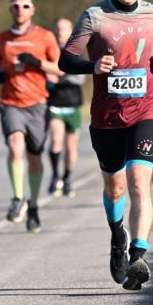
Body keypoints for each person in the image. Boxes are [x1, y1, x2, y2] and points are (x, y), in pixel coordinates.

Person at [58, 0, 153, 290]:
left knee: (140, 182)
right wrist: (91, 67)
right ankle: (117, 234)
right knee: (115, 186)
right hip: (107, 117)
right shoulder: (94, 16)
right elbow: (66, 60)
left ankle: (138, 256)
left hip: (145, 110)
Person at [0, 0, 62, 232]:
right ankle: (17, 197)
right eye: (15, 5)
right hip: (11, 103)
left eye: (25, 5)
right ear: (10, 8)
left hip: (37, 104)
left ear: (33, 9)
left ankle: (33, 204)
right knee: (15, 145)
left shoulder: (45, 36)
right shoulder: (3, 38)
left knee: (34, 158)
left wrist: (37, 63)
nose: (19, 9)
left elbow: (61, 68)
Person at [47, 16, 86, 197]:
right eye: (57, 28)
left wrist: (58, 73)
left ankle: (68, 177)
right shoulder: (49, 51)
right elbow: (43, 75)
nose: (59, 32)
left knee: (71, 149)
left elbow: (80, 78)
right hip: (54, 103)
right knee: (55, 140)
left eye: (63, 29)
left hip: (73, 104)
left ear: (71, 32)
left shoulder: (76, 52)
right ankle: (55, 176)